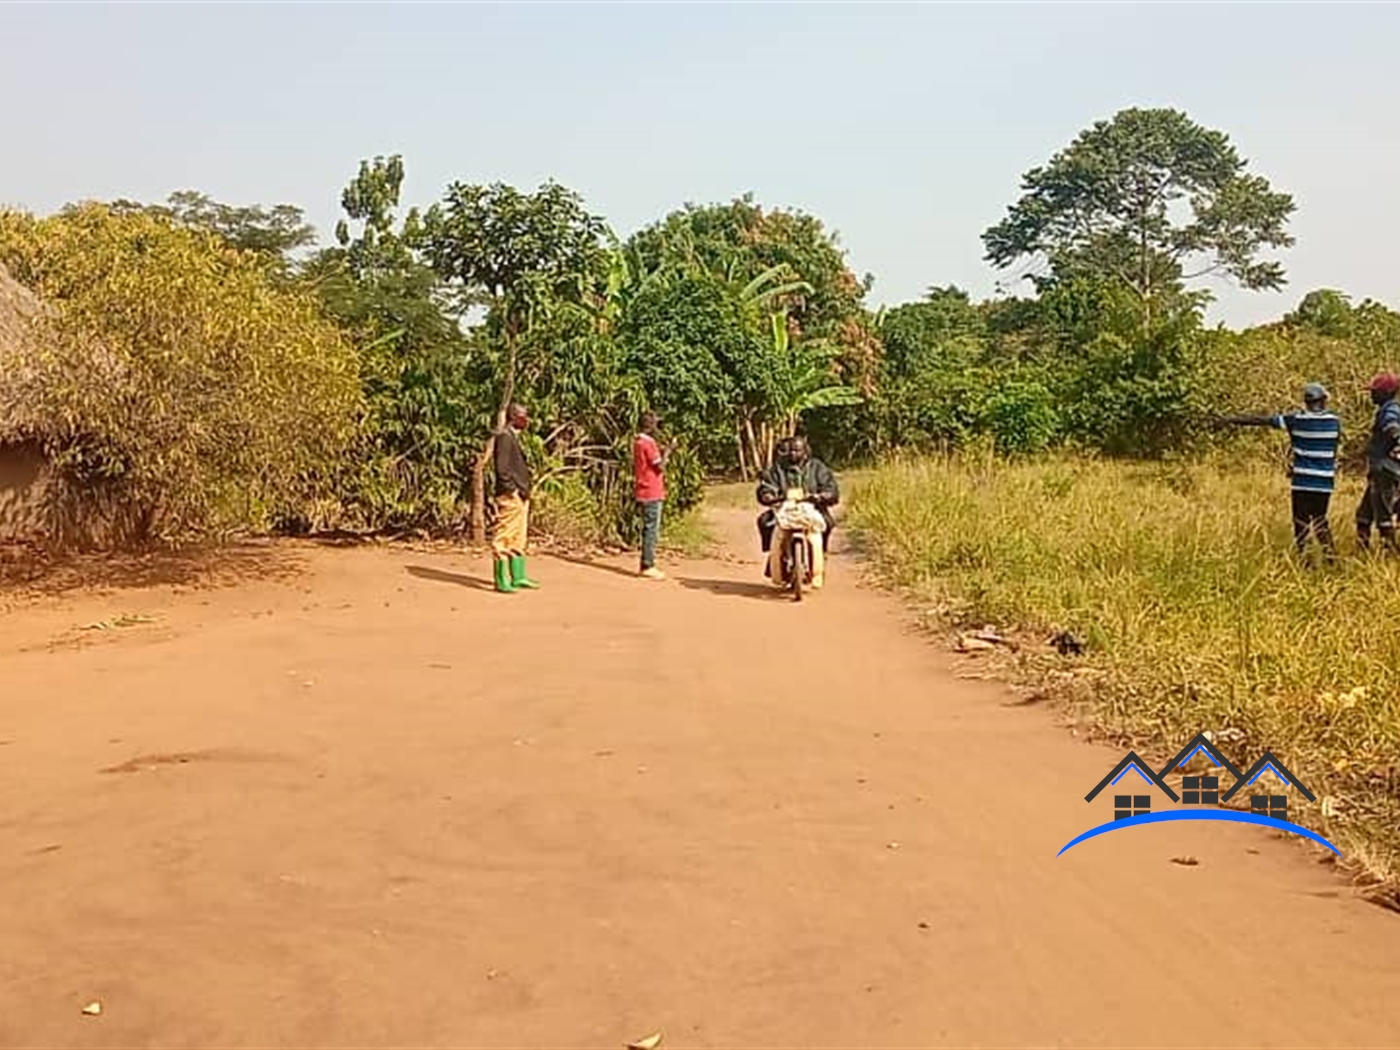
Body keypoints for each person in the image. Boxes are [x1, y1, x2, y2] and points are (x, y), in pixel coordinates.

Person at [1219, 382, 1341, 559]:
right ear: (1323, 401)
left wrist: (1231, 419)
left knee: (1301, 521)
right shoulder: (1334, 421)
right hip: (1324, 481)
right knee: (1320, 519)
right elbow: (1333, 449)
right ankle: (1331, 558)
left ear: (1306, 402)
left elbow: (1263, 421)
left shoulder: (1296, 420)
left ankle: (1306, 561)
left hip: (1302, 481)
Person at [756, 435, 839, 578]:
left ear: (805, 451)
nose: (793, 453)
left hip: (813, 507)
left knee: (828, 523)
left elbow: (830, 488)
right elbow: (767, 486)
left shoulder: (817, 467)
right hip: (783, 508)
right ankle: (774, 555)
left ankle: (821, 554)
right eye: (791, 450)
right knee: (764, 522)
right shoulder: (778, 468)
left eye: (797, 450)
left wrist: (822, 496)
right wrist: (769, 496)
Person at [491, 403, 540, 593]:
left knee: (518, 537)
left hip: (521, 494)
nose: (525, 419)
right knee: (504, 535)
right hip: (511, 495)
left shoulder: (512, 437)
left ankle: (518, 575)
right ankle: (501, 579)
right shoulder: (504, 437)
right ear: (513, 416)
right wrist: (512, 490)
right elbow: (502, 469)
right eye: (522, 415)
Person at [1357, 372, 1400, 554]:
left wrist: (1398, 440)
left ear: (1386, 392)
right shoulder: (1388, 409)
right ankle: (1363, 552)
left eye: (1375, 391)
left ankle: (1389, 555)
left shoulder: (1390, 410)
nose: (1371, 395)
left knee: (1383, 516)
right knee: (1363, 516)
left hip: (1384, 471)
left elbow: (1392, 426)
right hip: (1380, 470)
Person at [633, 411, 672, 580]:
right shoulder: (649, 444)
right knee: (651, 530)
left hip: (644, 488)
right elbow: (660, 466)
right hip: (651, 490)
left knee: (648, 528)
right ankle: (647, 564)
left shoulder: (638, 441)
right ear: (650, 426)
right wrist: (669, 451)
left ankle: (647, 563)